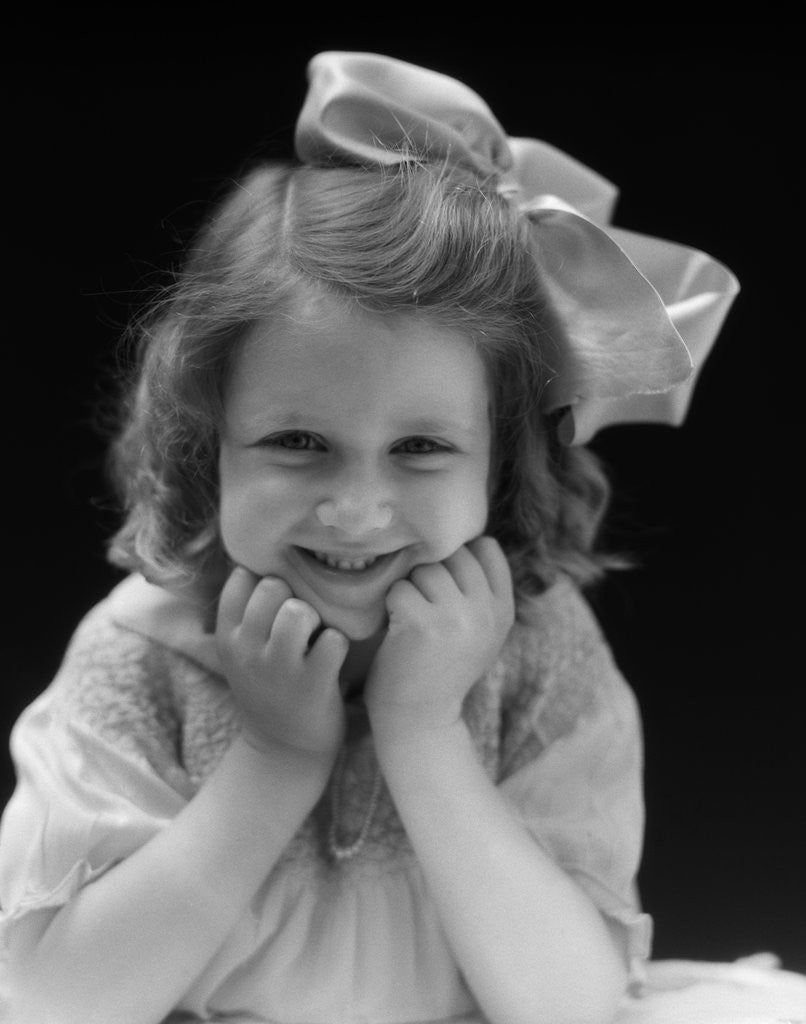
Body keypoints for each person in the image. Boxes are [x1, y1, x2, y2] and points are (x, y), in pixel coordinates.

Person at [1, 50, 801, 1024]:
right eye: (296, 442)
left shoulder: (539, 654)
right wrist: (273, 757)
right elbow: (53, 1002)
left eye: (420, 447)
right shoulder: (141, 654)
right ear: (205, 440)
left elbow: (569, 1006)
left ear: (500, 462)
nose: (356, 508)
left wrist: (424, 734)